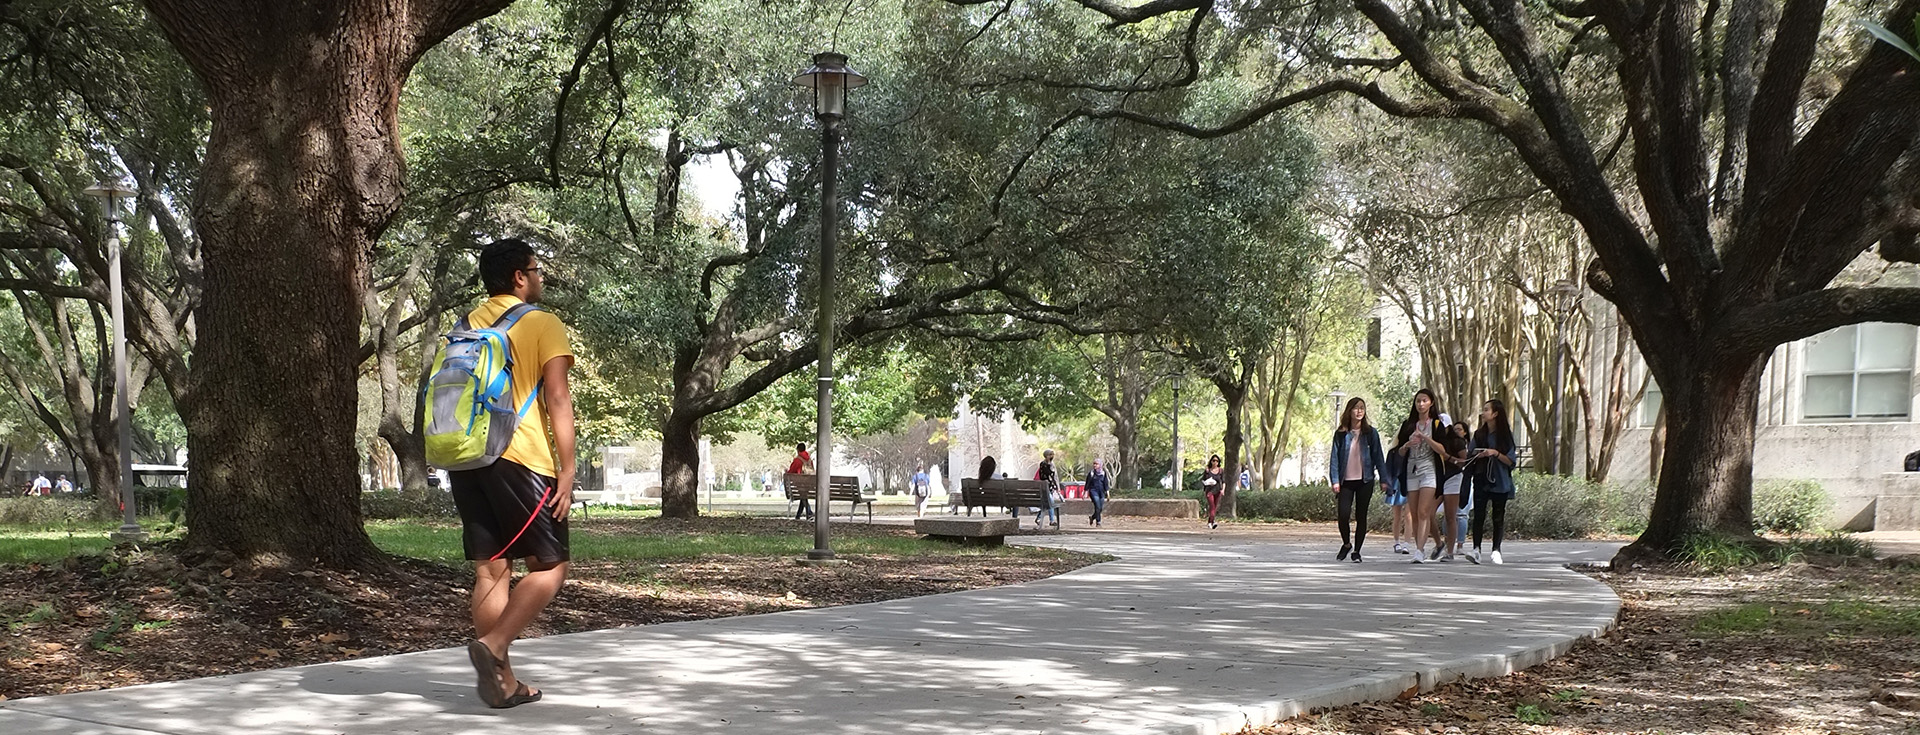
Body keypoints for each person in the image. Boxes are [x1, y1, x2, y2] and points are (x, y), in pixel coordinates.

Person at [449, 238, 576, 709]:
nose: (541, 278)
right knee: (551, 565)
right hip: (522, 459)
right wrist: (567, 470)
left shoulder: (465, 324)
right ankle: (494, 644)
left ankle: (503, 685)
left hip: (468, 457)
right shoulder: (542, 323)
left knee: (492, 567)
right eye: (537, 270)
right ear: (519, 277)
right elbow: (558, 399)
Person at [1328, 397, 1391, 563]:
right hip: (1345, 481)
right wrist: (1335, 480)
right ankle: (1347, 544)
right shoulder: (1341, 434)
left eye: (1362, 408)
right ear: (1349, 411)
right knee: (1343, 515)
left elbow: (1379, 457)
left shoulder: (1371, 433)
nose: (1359, 411)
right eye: (1356, 408)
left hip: (1365, 480)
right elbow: (1334, 458)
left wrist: (1384, 479)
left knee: (1361, 515)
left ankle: (1357, 551)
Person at [1394, 388, 1447, 563]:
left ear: (1431, 402)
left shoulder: (1437, 424)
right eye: (1418, 401)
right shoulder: (1408, 425)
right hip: (1411, 471)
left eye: (1424, 400)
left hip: (1429, 470)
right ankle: (1420, 547)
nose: (1421, 404)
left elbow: (1442, 450)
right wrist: (1407, 444)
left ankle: (1419, 550)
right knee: (1414, 512)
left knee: (1424, 511)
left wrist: (1426, 438)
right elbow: (1399, 452)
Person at [1467, 399, 1518, 565]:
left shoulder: (1506, 437)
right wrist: (1478, 454)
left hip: (1500, 479)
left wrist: (1495, 453)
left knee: (1498, 516)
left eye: (1487, 410)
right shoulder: (1479, 434)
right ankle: (1476, 549)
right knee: (1479, 515)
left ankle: (1496, 550)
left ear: (1495, 414)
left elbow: (1511, 461)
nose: (1483, 413)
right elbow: (1470, 454)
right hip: (1481, 477)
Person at [1437, 421, 1473, 562]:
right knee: (1426, 512)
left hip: (1454, 477)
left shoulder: (1457, 442)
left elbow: (1464, 462)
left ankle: (1451, 550)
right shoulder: (1434, 440)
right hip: (1438, 478)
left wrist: (1448, 457)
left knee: (1453, 515)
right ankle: (1439, 544)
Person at [1033, 449, 1062, 529]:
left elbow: (1055, 477)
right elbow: (1046, 474)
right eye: (1050, 455)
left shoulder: (1053, 464)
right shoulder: (1043, 464)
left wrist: (1057, 487)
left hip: (1051, 487)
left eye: (1052, 455)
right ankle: (1052, 520)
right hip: (1045, 486)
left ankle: (1038, 518)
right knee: (1050, 502)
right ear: (1046, 456)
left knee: (1046, 504)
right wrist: (1049, 464)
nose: (1051, 457)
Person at [788, 443, 815, 520]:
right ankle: (799, 515)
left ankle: (809, 513)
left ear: (798, 450)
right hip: (809, 484)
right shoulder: (809, 460)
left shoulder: (797, 460)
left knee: (803, 495)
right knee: (804, 496)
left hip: (800, 484)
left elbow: (791, 472)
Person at [1200, 454, 1226, 530]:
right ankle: (1212, 521)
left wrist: (1223, 490)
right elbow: (1203, 480)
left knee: (1215, 507)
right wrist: (1207, 483)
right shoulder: (1207, 470)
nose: (1215, 462)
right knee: (1212, 506)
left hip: (1217, 490)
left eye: (1217, 461)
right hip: (1209, 491)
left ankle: (1211, 522)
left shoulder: (1221, 471)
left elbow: (1223, 481)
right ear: (1211, 461)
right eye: (1213, 460)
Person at [1085, 458, 1111, 527]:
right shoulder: (1091, 473)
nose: (1095, 465)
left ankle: (1092, 517)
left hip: (1101, 492)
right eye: (1094, 464)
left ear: (1100, 465)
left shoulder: (1103, 473)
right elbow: (1087, 483)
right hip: (1093, 491)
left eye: (1096, 464)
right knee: (1097, 506)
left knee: (1100, 508)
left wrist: (1108, 493)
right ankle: (1098, 522)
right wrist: (1085, 492)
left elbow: (1106, 484)